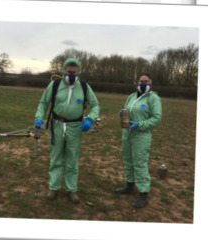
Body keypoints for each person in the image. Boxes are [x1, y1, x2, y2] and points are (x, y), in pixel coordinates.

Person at [33, 58, 101, 204]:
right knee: (56, 158)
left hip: (75, 128)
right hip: (57, 125)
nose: (71, 74)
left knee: (72, 159)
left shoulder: (83, 86)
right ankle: (54, 187)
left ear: (79, 72)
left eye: (74, 72)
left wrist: (90, 119)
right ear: (64, 71)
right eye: (69, 72)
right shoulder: (55, 84)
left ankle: (71, 189)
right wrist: (39, 117)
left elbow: (95, 105)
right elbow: (43, 102)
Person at [116, 73, 162, 209]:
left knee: (140, 163)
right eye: (141, 81)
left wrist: (140, 124)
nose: (143, 83)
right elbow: (127, 109)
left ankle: (143, 193)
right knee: (128, 160)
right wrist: (123, 113)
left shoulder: (153, 98)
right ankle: (129, 185)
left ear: (150, 82)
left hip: (141, 136)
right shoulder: (131, 96)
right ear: (137, 82)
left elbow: (156, 118)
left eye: (146, 81)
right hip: (127, 134)